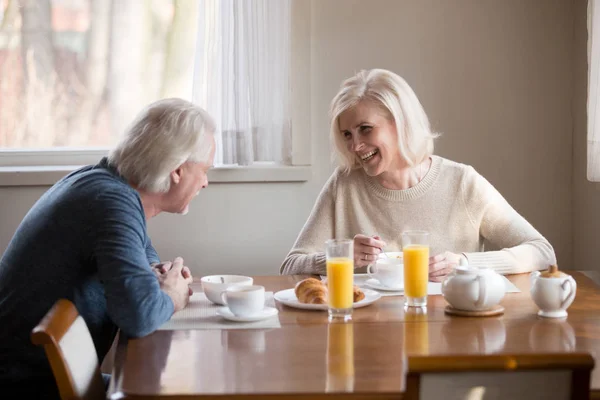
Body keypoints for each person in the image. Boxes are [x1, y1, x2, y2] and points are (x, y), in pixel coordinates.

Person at [0, 98, 215, 399]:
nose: (205, 182)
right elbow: (138, 316)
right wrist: (171, 296)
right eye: (204, 170)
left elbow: (140, 247)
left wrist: (154, 272)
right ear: (178, 170)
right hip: (32, 387)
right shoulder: (111, 202)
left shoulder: (104, 184)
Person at [280, 69, 556, 279]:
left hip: (450, 331)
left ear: (400, 123)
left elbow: (541, 251)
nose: (354, 146)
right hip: (370, 335)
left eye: (366, 129)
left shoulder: (461, 182)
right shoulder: (345, 185)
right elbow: (291, 264)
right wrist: (340, 256)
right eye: (347, 134)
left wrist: (463, 262)